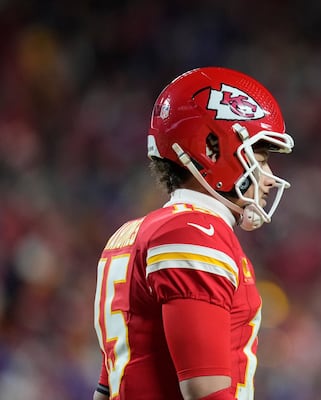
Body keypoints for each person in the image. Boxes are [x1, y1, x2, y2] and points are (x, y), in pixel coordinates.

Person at [92, 67, 294, 400]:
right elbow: (203, 389)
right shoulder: (195, 232)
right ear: (211, 150)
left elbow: (106, 388)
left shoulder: (130, 233)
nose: (269, 177)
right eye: (259, 157)